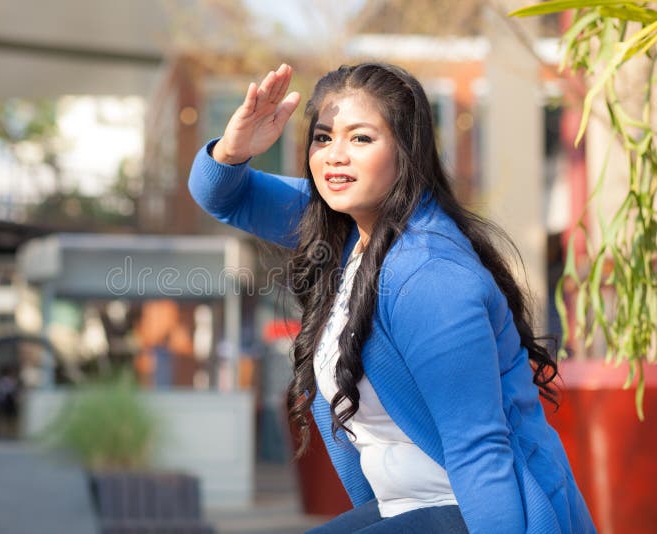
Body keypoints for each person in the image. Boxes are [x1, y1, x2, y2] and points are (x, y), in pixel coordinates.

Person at [188, 62, 596, 533]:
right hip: (407, 508)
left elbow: (479, 448)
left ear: (407, 151)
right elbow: (225, 196)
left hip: (477, 511)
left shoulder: (429, 275)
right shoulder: (343, 230)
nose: (335, 156)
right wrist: (234, 149)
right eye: (323, 138)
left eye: (360, 139)